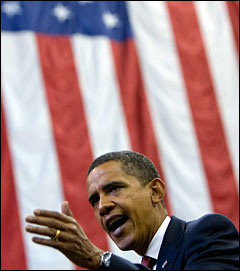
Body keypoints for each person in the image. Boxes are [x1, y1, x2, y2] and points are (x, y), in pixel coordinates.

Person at [25, 151, 239, 270]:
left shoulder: (208, 234)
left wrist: (100, 260)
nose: (103, 206)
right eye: (95, 200)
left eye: (114, 189)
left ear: (155, 191)